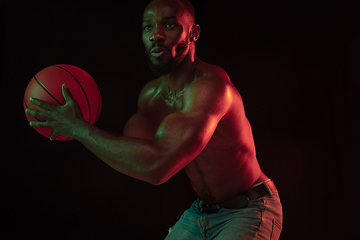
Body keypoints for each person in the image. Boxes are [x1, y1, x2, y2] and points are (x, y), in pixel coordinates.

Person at [25, 0, 283, 239]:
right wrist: (79, 125)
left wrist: (79, 128)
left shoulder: (211, 89)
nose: (155, 35)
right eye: (148, 27)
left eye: (169, 25)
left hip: (248, 208)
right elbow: (134, 159)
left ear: (193, 34)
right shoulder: (151, 97)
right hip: (201, 213)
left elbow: (157, 167)